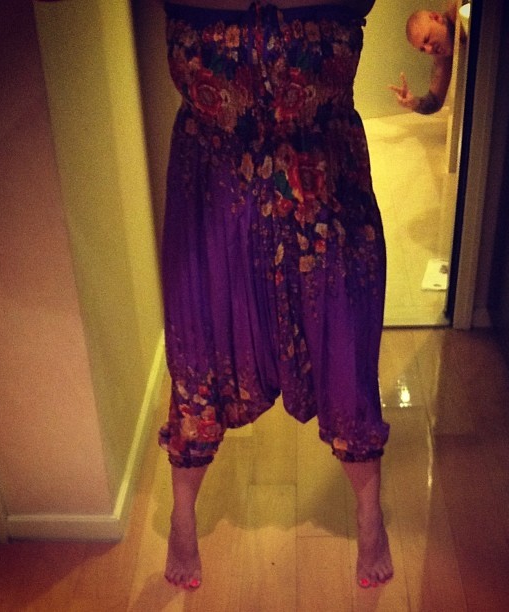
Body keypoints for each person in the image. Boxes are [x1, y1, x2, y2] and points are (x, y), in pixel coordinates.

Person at [157, 0, 393, 591]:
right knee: (197, 355)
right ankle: (182, 511)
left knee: (347, 348)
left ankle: (370, 512)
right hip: (212, 180)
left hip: (324, 177)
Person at [389, 4, 461, 114]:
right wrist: (414, 103)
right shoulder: (442, 59)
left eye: (427, 39)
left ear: (436, 18)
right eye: (422, 49)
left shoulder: (456, 12)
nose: (429, 50)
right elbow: (434, 102)